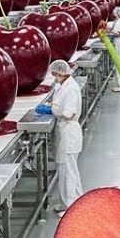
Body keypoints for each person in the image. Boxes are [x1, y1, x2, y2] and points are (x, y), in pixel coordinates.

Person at [46, 59, 83, 215]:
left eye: (56, 74)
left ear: (62, 73)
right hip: (63, 132)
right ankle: (68, 202)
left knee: (69, 171)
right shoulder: (63, 85)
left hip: (70, 133)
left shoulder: (71, 89)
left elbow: (69, 113)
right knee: (64, 168)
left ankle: (72, 206)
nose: (55, 77)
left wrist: (54, 110)